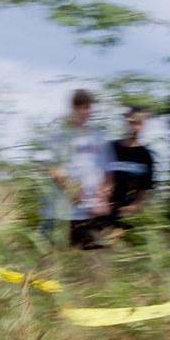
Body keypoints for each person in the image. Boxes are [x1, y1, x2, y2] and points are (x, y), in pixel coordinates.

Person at [39, 89, 115, 249]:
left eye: (86, 107)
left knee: (96, 259)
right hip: (60, 214)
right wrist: (76, 193)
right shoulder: (57, 136)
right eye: (78, 107)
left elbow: (108, 172)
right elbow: (53, 170)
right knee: (51, 260)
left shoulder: (99, 136)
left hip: (91, 214)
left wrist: (103, 199)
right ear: (72, 109)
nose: (82, 112)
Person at [109, 107, 154, 224]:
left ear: (143, 126)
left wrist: (135, 206)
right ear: (124, 123)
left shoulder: (145, 154)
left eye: (138, 123)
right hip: (105, 211)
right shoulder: (110, 148)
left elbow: (146, 187)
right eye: (131, 123)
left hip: (129, 217)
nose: (133, 127)